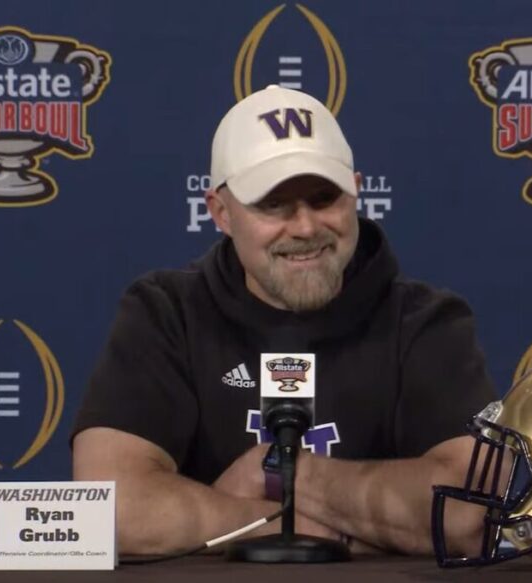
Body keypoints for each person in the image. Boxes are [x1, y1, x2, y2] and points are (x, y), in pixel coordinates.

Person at [71, 85, 496, 556]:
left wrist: (279, 468)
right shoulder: (166, 312)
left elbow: (469, 511)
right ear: (220, 212)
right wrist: (296, 529)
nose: (306, 227)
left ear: (356, 190)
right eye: (274, 204)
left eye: (324, 197)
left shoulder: (426, 322)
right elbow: (110, 509)